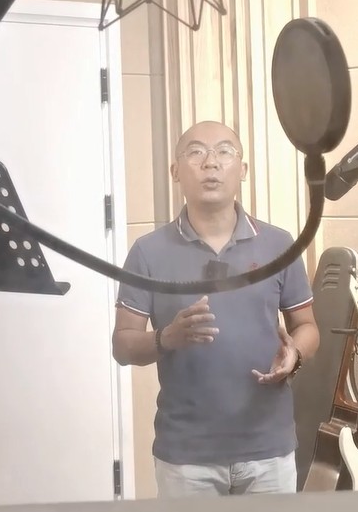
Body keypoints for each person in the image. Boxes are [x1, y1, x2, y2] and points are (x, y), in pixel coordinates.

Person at [112, 120, 319, 497]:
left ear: (243, 169)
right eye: (196, 152)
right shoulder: (147, 252)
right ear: (175, 171)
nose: (211, 163)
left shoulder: (279, 244)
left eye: (224, 151)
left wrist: (295, 355)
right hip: (186, 457)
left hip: (268, 451)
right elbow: (123, 346)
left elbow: (307, 327)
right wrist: (167, 338)